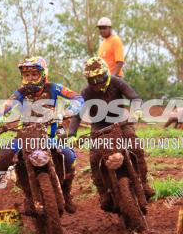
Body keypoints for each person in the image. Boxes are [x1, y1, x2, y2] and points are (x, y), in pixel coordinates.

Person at [0, 57, 83, 213]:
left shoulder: (54, 88)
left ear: (43, 74)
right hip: (24, 135)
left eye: (34, 75)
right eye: (27, 76)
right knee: (4, 155)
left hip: (48, 135)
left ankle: (66, 194)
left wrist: (66, 112)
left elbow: (78, 98)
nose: (30, 79)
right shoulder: (20, 92)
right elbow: (5, 107)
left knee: (69, 155)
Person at [66, 57, 155, 212]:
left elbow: (134, 97)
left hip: (120, 122)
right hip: (98, 128)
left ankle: (144, 182)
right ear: (87, 79)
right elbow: (77, 115)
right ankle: (104, 193)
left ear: (106, 73)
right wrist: (71, 134)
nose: (97, 82)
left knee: (135, 145)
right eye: (92, 79)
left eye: (99, 77)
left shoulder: (116, 82)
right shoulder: (86, 92)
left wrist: (137, 109)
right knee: (94, 158)